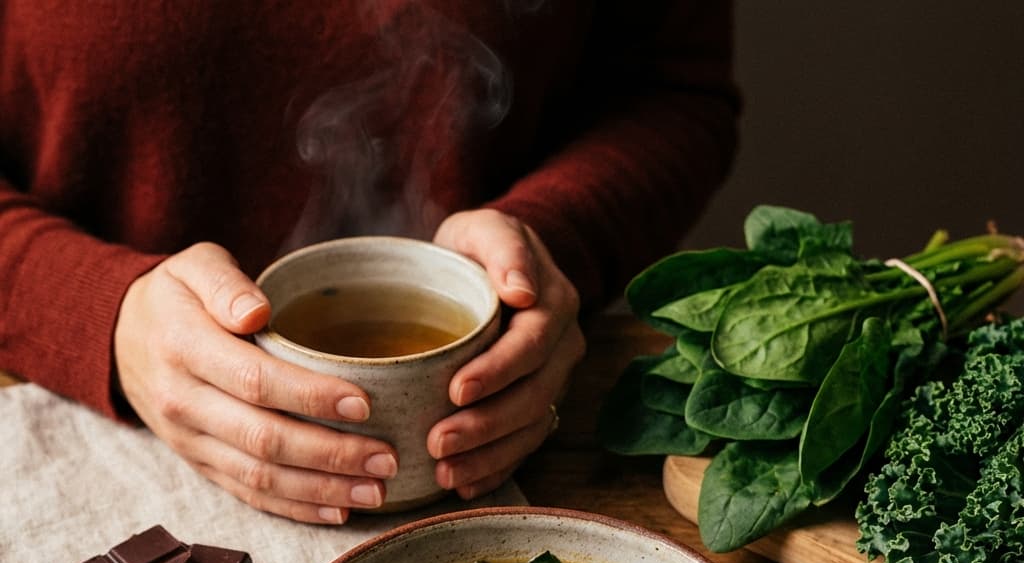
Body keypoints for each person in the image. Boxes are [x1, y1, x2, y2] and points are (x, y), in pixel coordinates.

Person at [0, 3, 739, 524]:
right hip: (90, 440)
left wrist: (553, 240)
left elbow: (675, 93)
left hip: (527, 454)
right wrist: (100, 311)